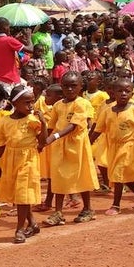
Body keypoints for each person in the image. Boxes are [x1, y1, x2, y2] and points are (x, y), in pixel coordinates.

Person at [90, 79, 134, 215]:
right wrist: (88, 142)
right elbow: (98, 129)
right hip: (113, 147)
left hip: (129, 146)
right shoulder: (108, 111)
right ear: (113, 93)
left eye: (127, 91)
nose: (123, 94)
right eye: (120, 91)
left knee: (118, 174)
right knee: (123, 176)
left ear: (132, 94)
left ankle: (116, 205)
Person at [43, 72, 98, 225]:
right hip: (60, 146)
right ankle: (58, 212)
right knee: (58, 176)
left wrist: (52, 137)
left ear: (81, 87)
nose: (69, 89)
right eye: (66, 86)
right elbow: (51, 125)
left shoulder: (82, 103)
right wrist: (42, 141)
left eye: (73, 86)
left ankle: (87, 208)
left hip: (77, 145)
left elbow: (74, 125)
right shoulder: (58, 105)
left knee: (81, 175)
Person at [0, 86, 44, 243]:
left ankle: (19, 229)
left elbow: (42, 142)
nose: (31, 106)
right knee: (20, 194)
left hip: (28, 159)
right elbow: (1, 144)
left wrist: (43, 123)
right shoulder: (3, 122)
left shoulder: (33, 121)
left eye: (32, 102)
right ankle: (33, 223)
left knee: (23, 192)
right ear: (15, 103)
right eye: (27, 102)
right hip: (11, 159)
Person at [0, 18, 30, 94]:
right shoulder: (9, 40)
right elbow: (31, 50)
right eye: (9, 27)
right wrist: (28, 36)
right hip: (11, 80)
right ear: (5, 28)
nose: (9, 29)